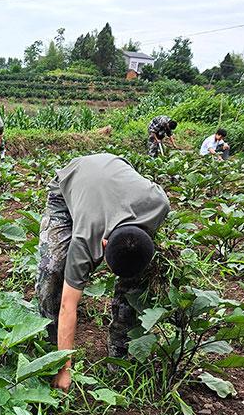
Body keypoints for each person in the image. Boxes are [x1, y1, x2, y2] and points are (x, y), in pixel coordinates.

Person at [35, 154, 170, 391]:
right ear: (104, 244)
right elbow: (69, 305)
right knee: (52, 271)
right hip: (69, 186)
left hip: (115, 167)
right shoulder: (86, 238)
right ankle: (49, 346)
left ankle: (120, 350)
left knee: (135, 283)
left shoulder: (159, 204)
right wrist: (64, 368)